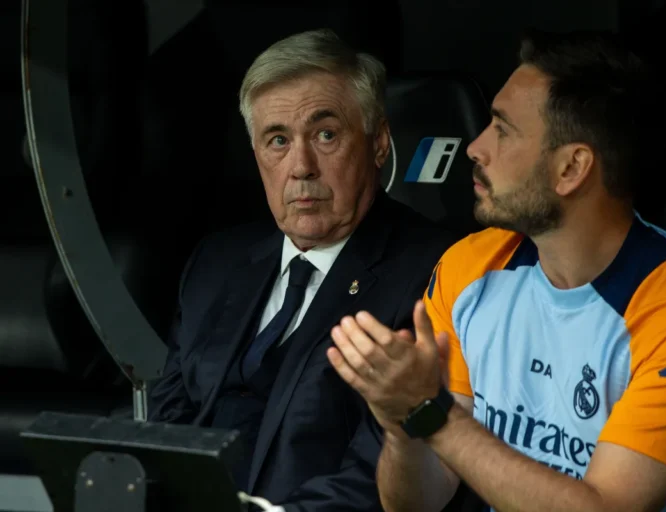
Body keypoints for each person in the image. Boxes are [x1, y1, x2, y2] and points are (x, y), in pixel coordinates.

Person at [327, 29, 666, 512]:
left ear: (571, 168)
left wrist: (430, 414)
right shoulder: (468, 267)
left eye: (502, 129)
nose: (475, 147)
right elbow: (416, 503)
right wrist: (402, 427)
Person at [147, 28, 456, 511]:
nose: (301, 167)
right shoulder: (216, 263)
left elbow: (388, 473)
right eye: (277, 140)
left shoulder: (435, 272)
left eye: (326, 134)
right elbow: (167, 428)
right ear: (256, 155)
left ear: (378, 145)